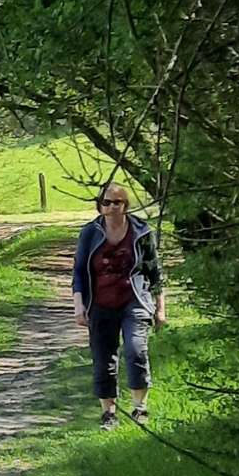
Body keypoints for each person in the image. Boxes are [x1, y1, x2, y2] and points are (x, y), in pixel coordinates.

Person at [71, 183, 165, 429]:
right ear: (100, 206)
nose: (111, 207)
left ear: (126, 205)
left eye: (117, 202)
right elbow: (79, 272)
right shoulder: (90, 233)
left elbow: (154, 272)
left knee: (136, 349)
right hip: (100, 302)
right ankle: (108, 413)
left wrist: (160, 309)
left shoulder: (141, 231)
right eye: (106, 202)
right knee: (103, 358)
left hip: (134, 300)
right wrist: (79, 305)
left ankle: (140, 408)